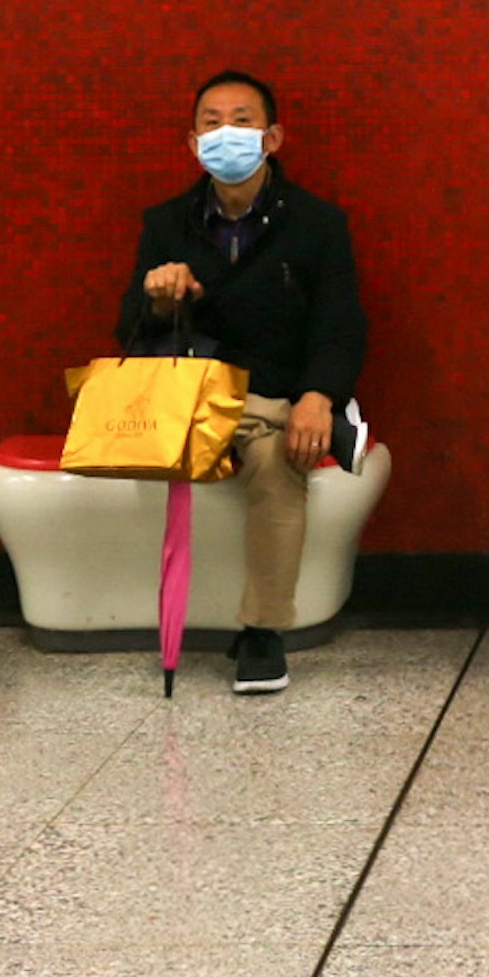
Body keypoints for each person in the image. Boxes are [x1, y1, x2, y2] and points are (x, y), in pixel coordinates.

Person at [115, 70, 369, 696]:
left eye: (243, 119)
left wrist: (318, 398)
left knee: (278, 456)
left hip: (280, 393)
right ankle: (283, 419)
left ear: (273, 136)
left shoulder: (317, 225)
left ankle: (262, 633)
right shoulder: (166, 224)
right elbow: (127, 335)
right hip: (189, 402)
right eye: (211, 121)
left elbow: (340, 326)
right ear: (193, 143)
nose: (227, 132)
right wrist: (160, 299)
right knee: (262, 424)